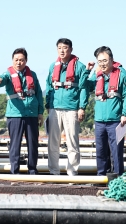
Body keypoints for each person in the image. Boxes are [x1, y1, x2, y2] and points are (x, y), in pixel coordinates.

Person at [0, 48, 44, 174]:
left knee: (33, 144)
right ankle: (14, 171)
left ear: (26, 61)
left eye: (21, 60)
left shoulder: (32, 75)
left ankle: (32, 170)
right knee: (15, 144)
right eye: (16, 60)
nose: (19, 63)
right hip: (15, 114)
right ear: (12, 61)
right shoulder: (8, 75)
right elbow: (1, 80)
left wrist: (40, 112)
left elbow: (38, 94)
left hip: (31, 114)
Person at [45, 38, 89, 176]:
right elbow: (48, 85)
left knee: (72, 142)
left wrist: (82, 107)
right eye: (59, 48)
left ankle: (72, 171)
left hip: (72, 108)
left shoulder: (80, 67)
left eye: (65, 47)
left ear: (71, 49)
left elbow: (83, 88)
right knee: (53, 142)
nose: (62, 50)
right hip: (55, 108)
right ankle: (54, 171)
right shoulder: (53, 66)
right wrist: (48, 104)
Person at [86, 46, 126, 175]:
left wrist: (124, 114)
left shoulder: (121, 73)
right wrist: (87, 71)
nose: (102, 64)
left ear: (111, 60)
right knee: (100, 151)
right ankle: (101, 177)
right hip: (100, 120)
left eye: (105, 60)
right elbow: (85, 85)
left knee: (116, 151)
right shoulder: (97, 76)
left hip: (116, 120)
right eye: (100, 61)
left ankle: (117, 179)